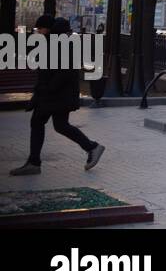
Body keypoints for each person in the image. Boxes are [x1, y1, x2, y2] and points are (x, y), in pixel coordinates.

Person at [9, 15, 105, 176]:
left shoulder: (60, 43)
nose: (38, 31)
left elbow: (64, 71)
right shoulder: (55, 41)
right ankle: (92, 147)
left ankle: (34, 162)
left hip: (56, 95)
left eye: (40, 28)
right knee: (59, 125)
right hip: (56, 95)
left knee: (40, 122)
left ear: (48, 28)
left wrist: (48, 88)